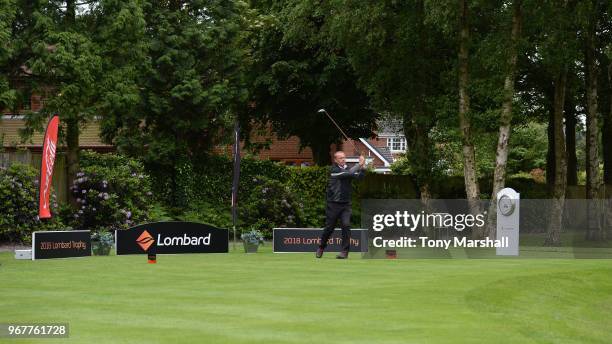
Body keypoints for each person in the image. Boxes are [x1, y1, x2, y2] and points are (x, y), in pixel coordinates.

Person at [316, 151, 366, 259]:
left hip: (346, 204)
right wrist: (359, 164)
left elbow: (359, 177)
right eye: (340, 158)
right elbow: (348, 174)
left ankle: (344, 252)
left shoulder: (348, 168)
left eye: (344, 157)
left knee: (346, 225)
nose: (343, 159)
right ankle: (321, 247)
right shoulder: (334, 170)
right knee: (329, 228)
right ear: (335, 160)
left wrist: (363, 168)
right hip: (333, 204)